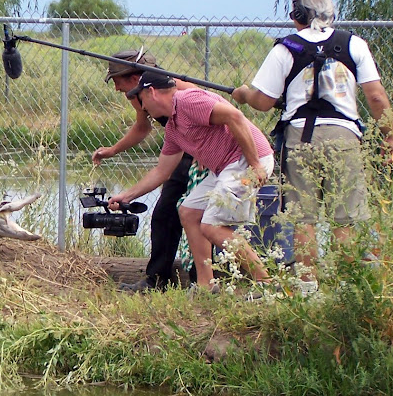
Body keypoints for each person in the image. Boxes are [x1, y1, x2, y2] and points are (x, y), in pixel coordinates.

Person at [231, 0, 393, 296]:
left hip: (300, 139)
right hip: (344, 137)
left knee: (303, 217)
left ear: (297, 16)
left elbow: (264, 101)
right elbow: (375, 95)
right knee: (344, 218)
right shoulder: (354, 45)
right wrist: (390, 135)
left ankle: (308, 289)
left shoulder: (286, 49)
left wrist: (243, 95)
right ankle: (348, 289)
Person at [108, 72, 275, 290]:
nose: (142, 107)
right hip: (226, 168)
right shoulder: (173, 129)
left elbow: (234, 116)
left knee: (212, 226)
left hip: (248, 161)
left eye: (141, 99)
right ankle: (206, 285)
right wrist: (125, 196)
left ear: (152, 92)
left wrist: (254, 164)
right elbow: (161, 171)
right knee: (188, 212)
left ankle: (266, 282)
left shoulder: (187, 101)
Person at [93, 48, 198, 292]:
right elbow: (143, 127)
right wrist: (112, 150)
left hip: (204, 150)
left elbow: (213, 113)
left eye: (117, 81)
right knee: (164, 214)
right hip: (181, 146)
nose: (116, 88)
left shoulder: (180, 89)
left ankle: (202, 280)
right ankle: (157, 280)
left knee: (196, 214)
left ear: (133, 77)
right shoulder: (137, 93)